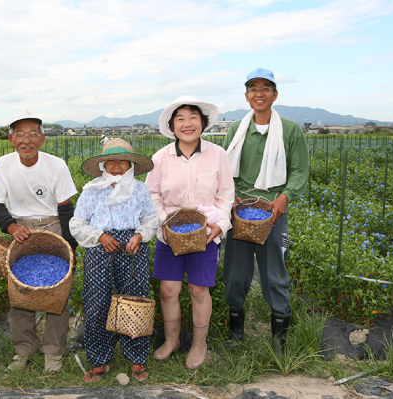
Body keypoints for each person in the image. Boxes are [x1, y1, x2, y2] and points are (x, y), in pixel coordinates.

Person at [222, 68, 310, 355]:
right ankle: (236, 332)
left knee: (274, 272)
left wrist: (285, 196)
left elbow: (299, 171)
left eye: (265, 88)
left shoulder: (291, 130)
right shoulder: (237, 129)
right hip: (240, 211)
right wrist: (230, 195)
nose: (259, 93)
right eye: (253, 89)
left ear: (274, 94)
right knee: (236, 271)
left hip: (273, 211)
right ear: (247, 96)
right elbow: (225, 170)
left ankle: (279, 339)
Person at [146, 95, 235, 369]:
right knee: (168, 290)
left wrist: (220, 225)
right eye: (180, 119)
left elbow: (226, 196)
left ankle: (199, 344)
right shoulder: (160, 157)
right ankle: (172, 340)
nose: (187, 124)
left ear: (203, 123)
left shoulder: (217, 154)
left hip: (205, 233)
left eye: (193, 117)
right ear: (172, 126)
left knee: (198, 290)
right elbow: (152, 194)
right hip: (168, 234)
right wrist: (164, 221)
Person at [0, 110, 78, 373]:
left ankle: (54, 353)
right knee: (20, 292)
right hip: (21, 231)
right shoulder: (4, 164)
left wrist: (70, 247)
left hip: (52, 227)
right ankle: (24, 349)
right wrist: (12, 227)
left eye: (32, 135)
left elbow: (65, 207)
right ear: (11, 138)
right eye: (20, 135)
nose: (27, 141)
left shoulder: (56, 165)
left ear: (42, 138)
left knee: (56, 293)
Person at [70, 138, 157, 382]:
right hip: (99, 247)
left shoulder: (139, 189)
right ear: (103, 165)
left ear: (131, 165)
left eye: (123, 161)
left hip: (133, 248)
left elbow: (151, 219)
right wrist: (100, 236)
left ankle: (137, 359)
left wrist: (139, 235)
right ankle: (99, 361)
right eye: (111, 161)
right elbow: (77, 223)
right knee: (97, 303)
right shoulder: (92, 190)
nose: (117, 166)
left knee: (134, 302)